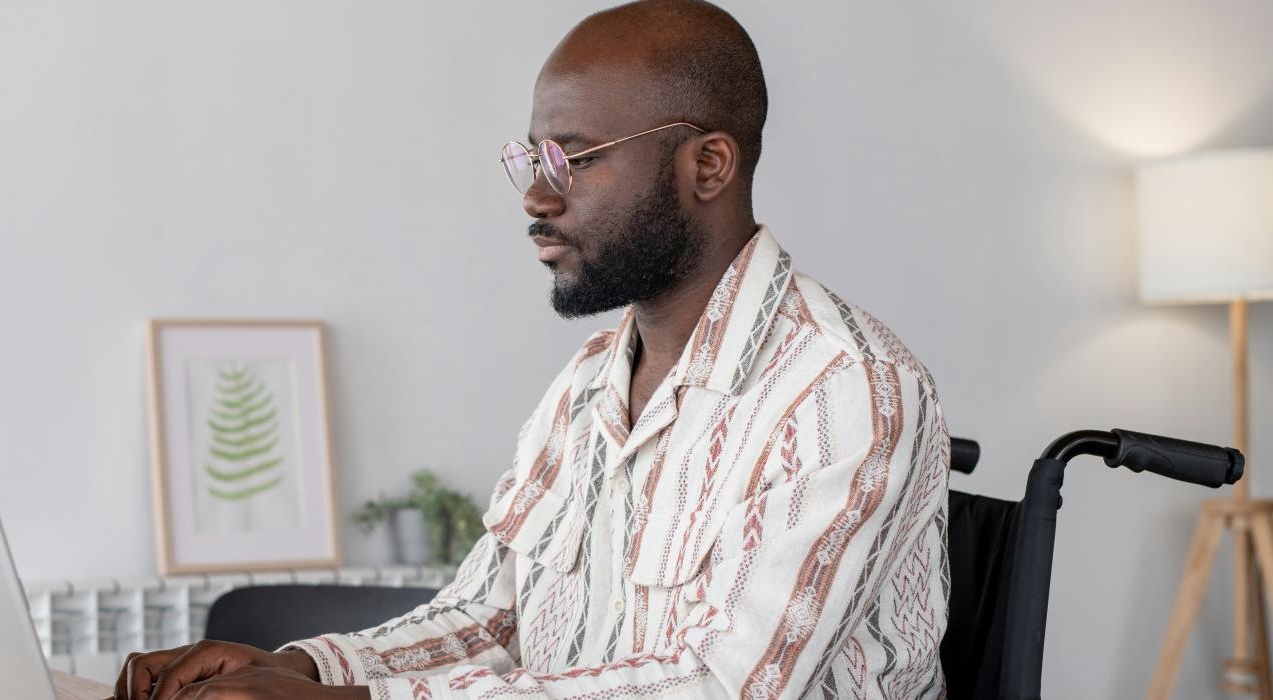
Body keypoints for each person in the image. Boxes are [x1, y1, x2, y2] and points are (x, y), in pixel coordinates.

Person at [113, 0, 950, 697]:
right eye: (530, 158)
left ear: (709, 166)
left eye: (573, 158)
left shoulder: (846, 390)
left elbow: (722, 687)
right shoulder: (590, 381)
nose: (536, 197)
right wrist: (301, 668)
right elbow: (491, 615)